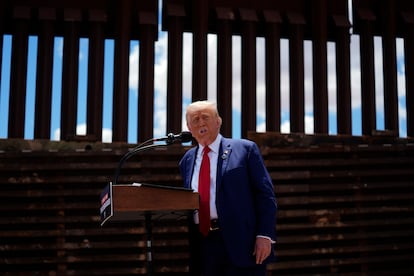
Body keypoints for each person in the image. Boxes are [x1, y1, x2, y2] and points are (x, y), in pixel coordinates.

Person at [179, 100, 277, 276]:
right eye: (195, 119)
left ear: (218, 121)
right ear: (189, 128)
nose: (200, 123)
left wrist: (264, 234)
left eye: (205, 117)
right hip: (203, 245)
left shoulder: (245, 149)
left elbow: (265, 194)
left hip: (242, 243)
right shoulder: (186, 160)